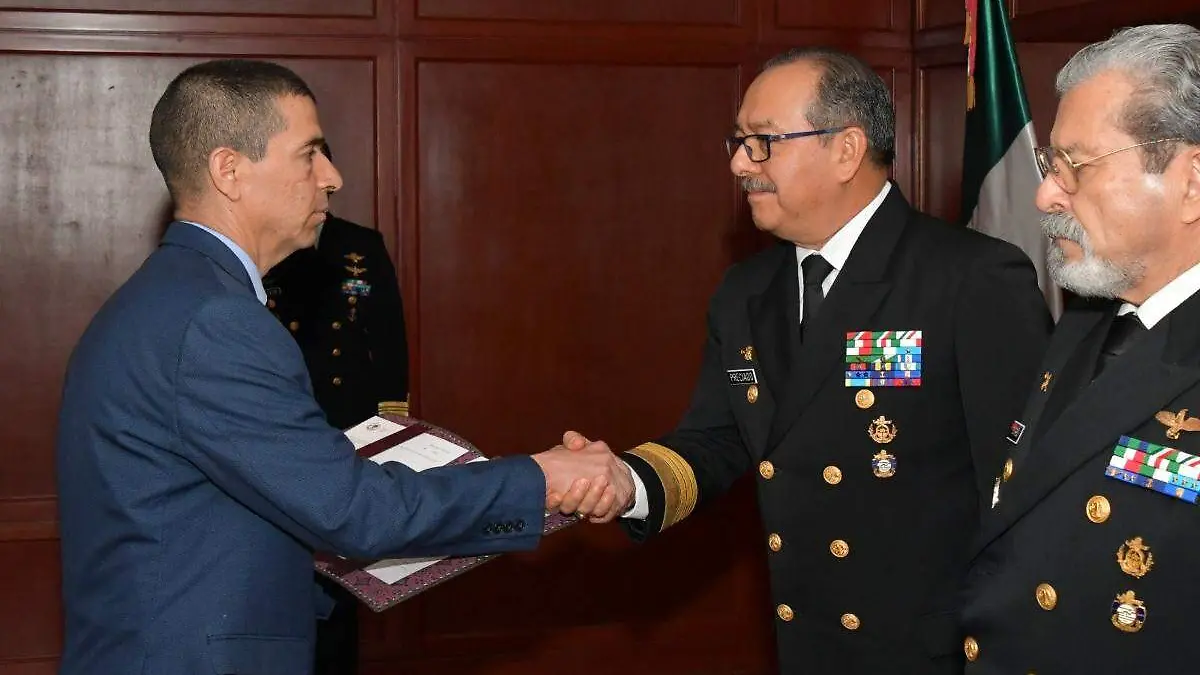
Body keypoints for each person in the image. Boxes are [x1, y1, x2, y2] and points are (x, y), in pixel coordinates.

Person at [54, 58, 631, 675]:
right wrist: (544, 478)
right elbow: (356, 512)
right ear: (229, 170)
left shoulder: (169, 298)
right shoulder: (216, 320)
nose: (332, 177)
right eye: (309, 154)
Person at [563, 47, 1052, 674]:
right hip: (808, 643)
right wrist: (628, 484)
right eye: (739, 142)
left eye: (763, 142)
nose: (740, 164)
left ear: (846, 150)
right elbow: (718, 439)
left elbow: (1024, 488)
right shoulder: (745, 292)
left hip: (933, 651)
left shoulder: (971, 278)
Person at [960, 24, 1200, 674]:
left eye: (1076, 167)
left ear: (1191, 182)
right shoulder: (1089, 319)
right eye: (1050, 166)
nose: (1045, 195)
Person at [262, 141, 409, 675]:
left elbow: (388, 337)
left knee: (344, 573)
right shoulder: (270, 246)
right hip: (286, 424)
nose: (327, 179)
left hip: (351, 423)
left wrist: (391, 426)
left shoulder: (359, 245)